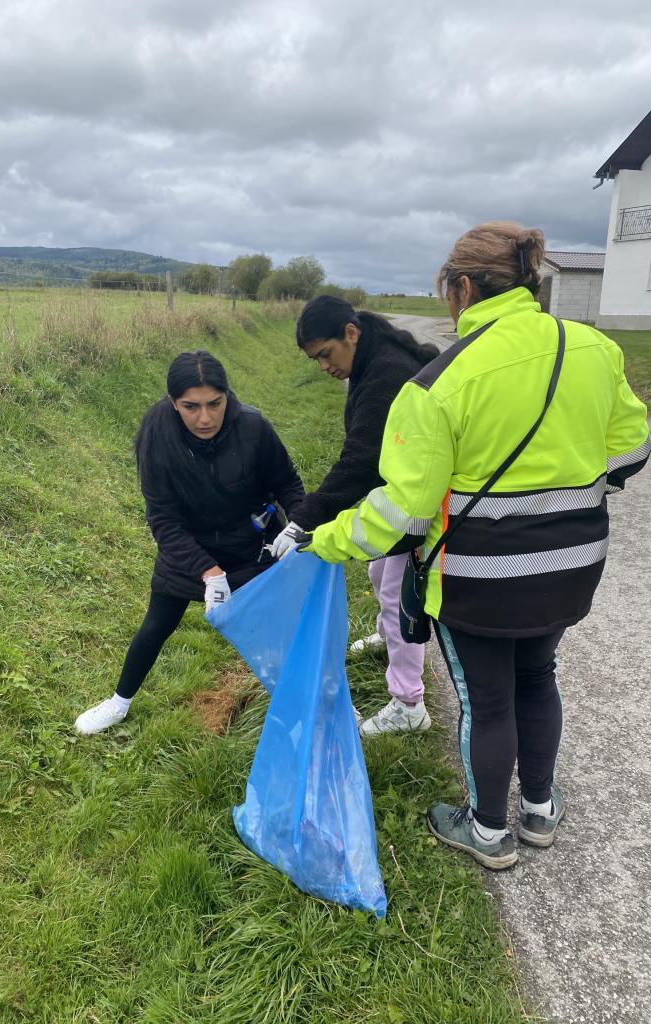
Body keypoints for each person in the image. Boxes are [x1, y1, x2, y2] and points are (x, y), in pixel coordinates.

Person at [303, 222, 649, 869]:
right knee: (538, 675)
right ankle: (539, 810)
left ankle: (489, 831)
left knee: (487, 701)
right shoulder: (594, 349)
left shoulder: (437, 385)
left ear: (462, 288)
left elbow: (402, 513)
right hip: (572, 564)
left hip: (478, 579)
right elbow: (632, 450)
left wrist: (326, 539)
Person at [75, 350, 305, 735]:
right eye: (191, 407)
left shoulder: (254, 428)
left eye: (215, 403)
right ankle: (118, 703)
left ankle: (307, 704)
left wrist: (299, 522)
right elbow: (163, 521)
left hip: (252, 548)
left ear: (227, 396)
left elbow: (288, 485)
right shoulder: (157, 438)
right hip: (187, 551)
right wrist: (208, 571)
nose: (205, 418)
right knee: (156, 626)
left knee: (276, 633)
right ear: (173, 402)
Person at [271, 295, 438, 736]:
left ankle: (409, 703)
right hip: (399, 492)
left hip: (413, 503)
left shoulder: (387, 373)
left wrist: (304, 518)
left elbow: (360, 459)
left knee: (400, 598)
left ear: (351, 333)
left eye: (326, 354)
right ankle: (387, 637)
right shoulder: (371, 357)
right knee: (381, 574)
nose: (324, 366)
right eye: (316, 360)